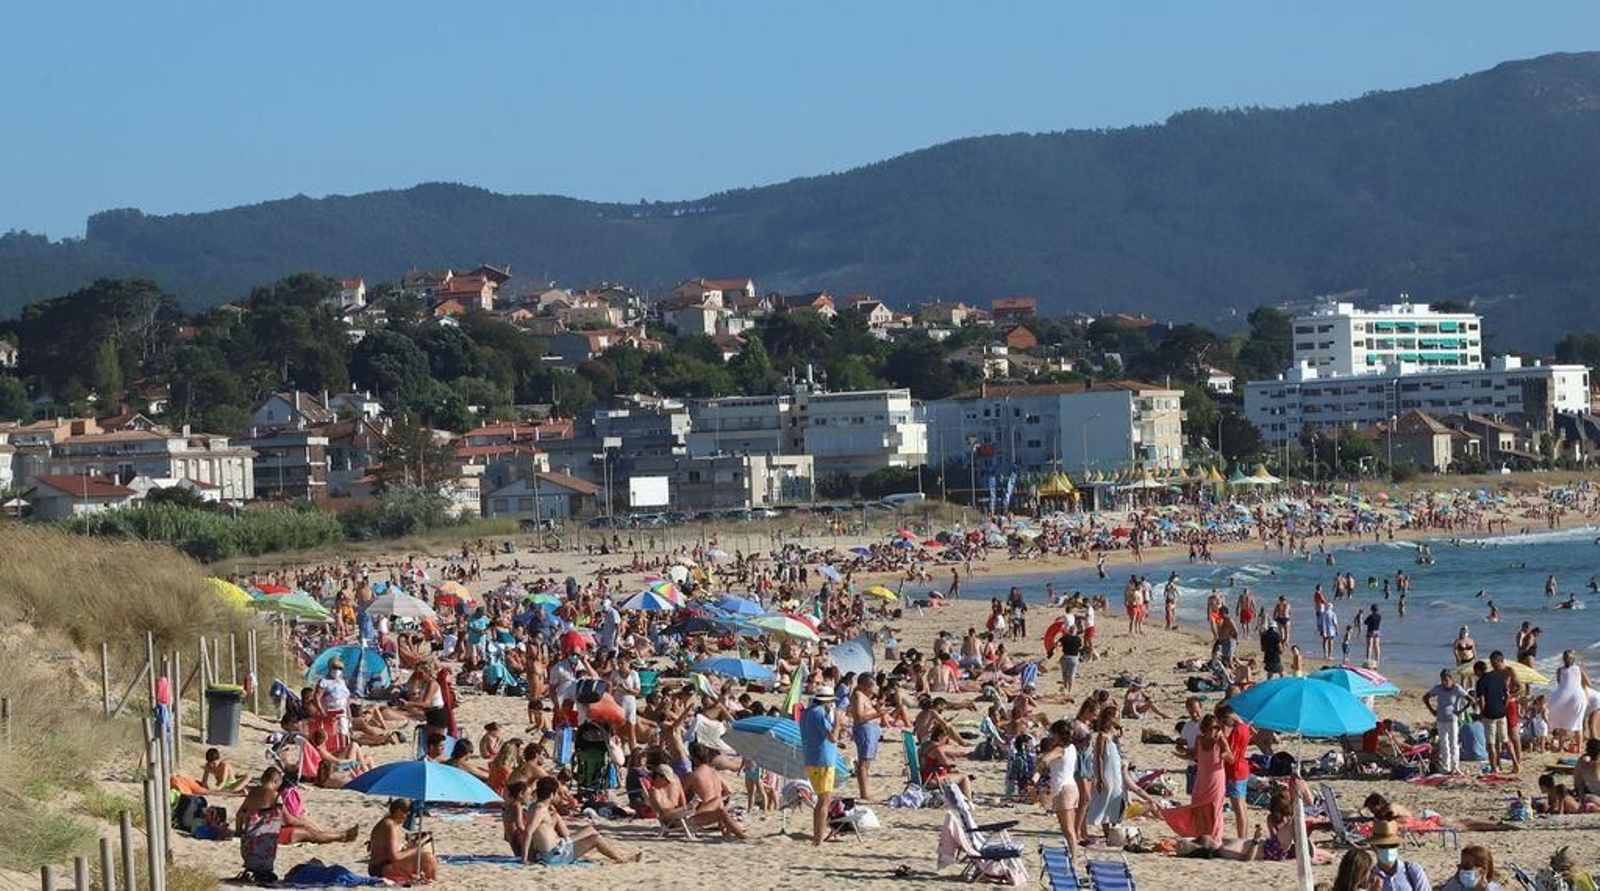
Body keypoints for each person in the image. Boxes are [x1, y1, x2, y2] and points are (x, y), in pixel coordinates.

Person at [524, 776, 639, 863]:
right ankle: (621, 859)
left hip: (558, 847)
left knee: (590, 829)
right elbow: (528, 832)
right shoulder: (540, 809)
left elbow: (536, 832)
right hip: (555, 855)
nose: (558, 797)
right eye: (557, 794)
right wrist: (525, 858)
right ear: (551, 794)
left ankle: (579, 847)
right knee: (595, 838)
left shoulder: (538, 807)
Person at [799, 690, 841, 847]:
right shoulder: (818, 713)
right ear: (826, 701)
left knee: (821, 800)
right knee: (824, 800)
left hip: (812, 759)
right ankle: (818, 839)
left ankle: (817, 837)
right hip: (822, 761)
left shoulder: (806, 712)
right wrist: (837, 722)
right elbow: (833, 737)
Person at [1039, 719, 1080, 864]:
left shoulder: (1060, 749)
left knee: (1068, 830)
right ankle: (1073, 856)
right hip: (1071, 787)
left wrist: (1040, 765)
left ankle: (1074, 859)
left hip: (1063, 789)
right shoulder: (1072, 747)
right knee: (1069, 829)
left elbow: (1045, 760)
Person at [367, 798, 439, 881]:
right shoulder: (390, 826)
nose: (407, 817)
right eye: (407, 814)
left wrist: (409, 848)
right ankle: (432, 882)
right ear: (398, 811)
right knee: (429, 859)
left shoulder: (388, 823)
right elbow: (394, 857)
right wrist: (415, 849)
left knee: (425, 858)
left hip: (380, 865)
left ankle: (429, 881)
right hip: (381, 868)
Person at [1475, 652, 1521, 773]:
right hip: (1501, 710)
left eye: (1494, 663)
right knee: (1503, 740)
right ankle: (1508, 764)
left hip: (1496, 711)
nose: (1493, 665)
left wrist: (1482, 713)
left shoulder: (1507, 671)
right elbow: (1505, 693)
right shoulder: (1497, 675)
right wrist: (1503, 705)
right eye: (1491, 663)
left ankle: (1498, 767)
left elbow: (1482, 700)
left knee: (1497, 741)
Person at [1189, 713, 1230, 846]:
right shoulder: (1199, 739)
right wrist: (1182, 751)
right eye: (1211, 727)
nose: (1214, 730)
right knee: (1197, 806)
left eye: (1216, 727)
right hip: (1202, 778)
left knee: (1215, 809)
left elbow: (1231, 757)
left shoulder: (1220, 739)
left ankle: (1215, 838)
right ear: (1204, 728)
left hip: (1216, 778)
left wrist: (1224, 754)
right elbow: (1194, 755)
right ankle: (1203, 836)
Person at [1424, 669, 1470, 776]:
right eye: (1443, 680)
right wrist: (1432, 710)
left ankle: (1455, 766)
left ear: (1451, 679)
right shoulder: (1438, 688)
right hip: (1441, 719)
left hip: (1452, 719)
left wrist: (1460, 711)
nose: (1444, 682)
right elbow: (1425, 697)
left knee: (1454, 743)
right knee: (1443, 743)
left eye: (1446, 680)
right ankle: (1446, 766)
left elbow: (1470, 700)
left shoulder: (1457, 688)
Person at [1216, 703, 1252, 839]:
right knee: (1243, 807)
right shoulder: (1244, 727)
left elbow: (1231, 756)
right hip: (1242, 768)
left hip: (1235, 770)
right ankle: (1244, 837)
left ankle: (1241, 837)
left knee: (1238, 809)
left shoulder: (1237, 730)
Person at [848, 674, 885, 801]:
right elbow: (859, 717)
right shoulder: (858, 695)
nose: (872, 689)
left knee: (867, 762)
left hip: (870, 729)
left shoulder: (864, 696)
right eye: (871, 686)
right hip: (865, 729)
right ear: (865, 685)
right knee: (863, 762)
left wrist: (877, 709)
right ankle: (864, 792)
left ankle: (866, 790)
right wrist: (878, 714)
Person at [1548, 649, 1591, 753]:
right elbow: (1589, 683)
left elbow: (1561, 685)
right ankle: (1579, 749)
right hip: (1577, 697)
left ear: (1563, 659)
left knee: (1563, 723)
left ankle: (1560, 748)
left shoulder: (1560, 670)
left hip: (1563, 697)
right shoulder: (1579, 668)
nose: (1568, 659)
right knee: (1578, 724)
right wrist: (1581, 686)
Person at [1368, 819, 1431, 889]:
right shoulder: (1369, 877)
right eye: (1383, 846)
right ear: (1373, 847)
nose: (1388, 849)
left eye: (1393, 845)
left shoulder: (1413, 870)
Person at [1438, 845, 1503, 891]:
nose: (1462, 870)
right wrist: (1454, 881)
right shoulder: (1458, 885)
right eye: (1460, 866)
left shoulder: (1491, 888)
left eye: (1466, 867)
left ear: (1482, 870)